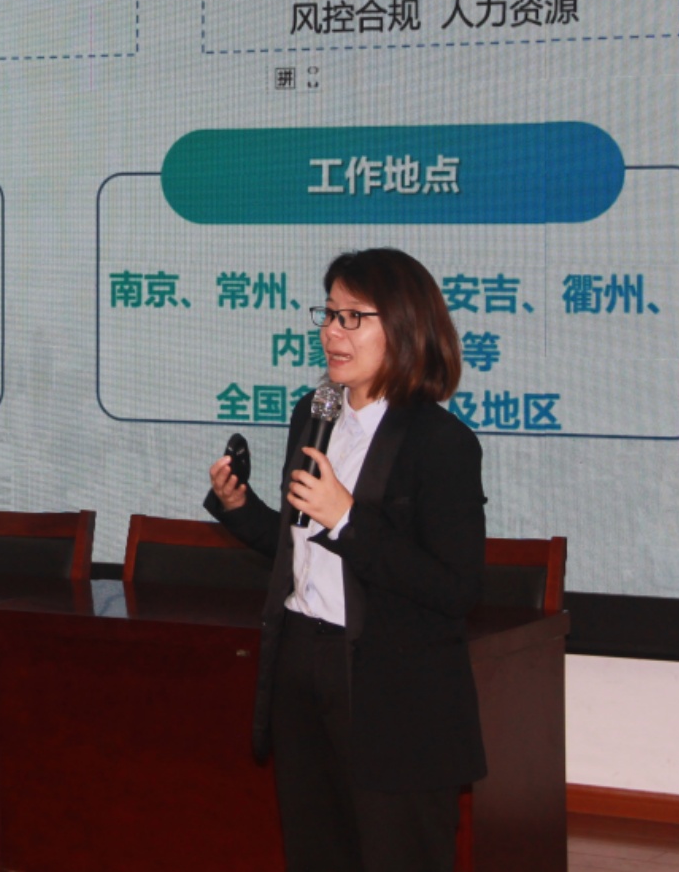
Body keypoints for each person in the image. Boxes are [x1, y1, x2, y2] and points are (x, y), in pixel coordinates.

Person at [204, 248, 486, 872]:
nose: (333, 332)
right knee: (316, 849)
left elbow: (454, 587)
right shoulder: (314, 415)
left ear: (404, 327)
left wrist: (349, 519)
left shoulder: (441, 443)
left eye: (353, 317)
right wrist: (239, 506)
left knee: (395, 854)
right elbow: (300, 549)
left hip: (390, 685)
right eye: (329, 314)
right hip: (302, 659)